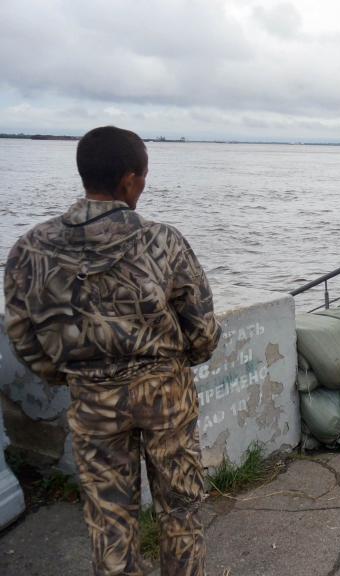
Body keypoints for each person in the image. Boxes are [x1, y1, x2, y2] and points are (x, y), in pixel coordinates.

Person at [3, 126, 220, 576]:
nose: (144, 186)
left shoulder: (31, 248)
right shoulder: (163, 241)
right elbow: (201, 329)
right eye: (143, 177)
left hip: (93, 402)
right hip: (166, 397)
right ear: (127, 180)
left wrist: (72, 375)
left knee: (110, 523)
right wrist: (178, 363)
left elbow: (22, 335)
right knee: (181, 511)